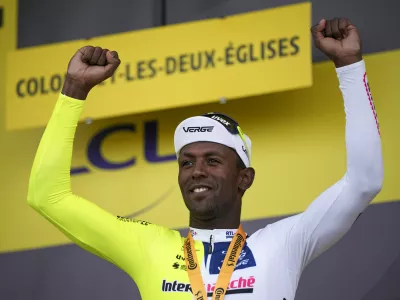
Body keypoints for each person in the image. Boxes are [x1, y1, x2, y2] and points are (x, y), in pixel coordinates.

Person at [27, 17, 383, 300]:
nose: (196, 170)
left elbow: (364, 182)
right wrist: (73, 90)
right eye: (186, 161)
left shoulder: (284, 243)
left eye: (213, 160)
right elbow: (48, 197)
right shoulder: (149, 246)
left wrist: (349, 67)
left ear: (245, 177)